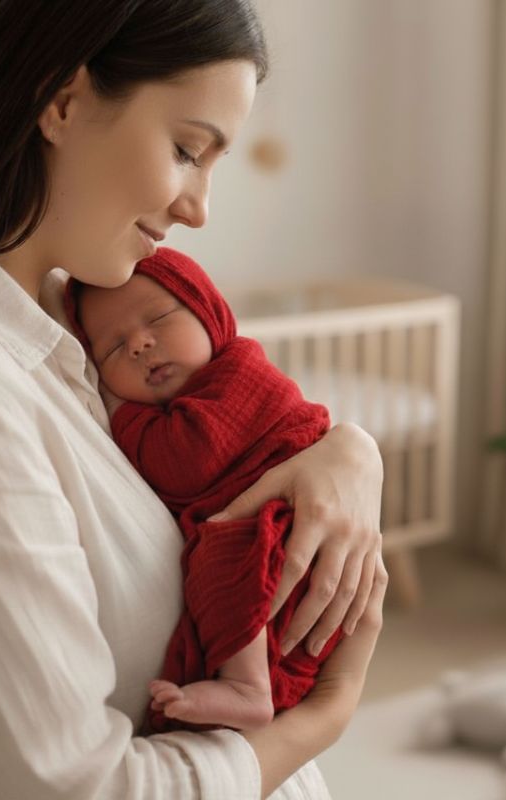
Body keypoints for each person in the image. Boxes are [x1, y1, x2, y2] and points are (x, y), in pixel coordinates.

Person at [0, 2, 387, 799]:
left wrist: (347, 449)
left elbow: (238, 413)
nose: (199, 209)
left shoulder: (76, 328)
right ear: (62, 103)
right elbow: (69, 787)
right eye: (188, 150)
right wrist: (320, 721)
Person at [64, 246, 345, 735]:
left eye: (157, 318)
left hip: (293, 528)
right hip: (285, 541)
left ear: (209, 311)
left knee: (226, 552)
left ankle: (249, 686)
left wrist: (120, 410)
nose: (138, 344)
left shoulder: (239, 372)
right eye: (111, 349)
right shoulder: (184, 399)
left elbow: (186, 464)